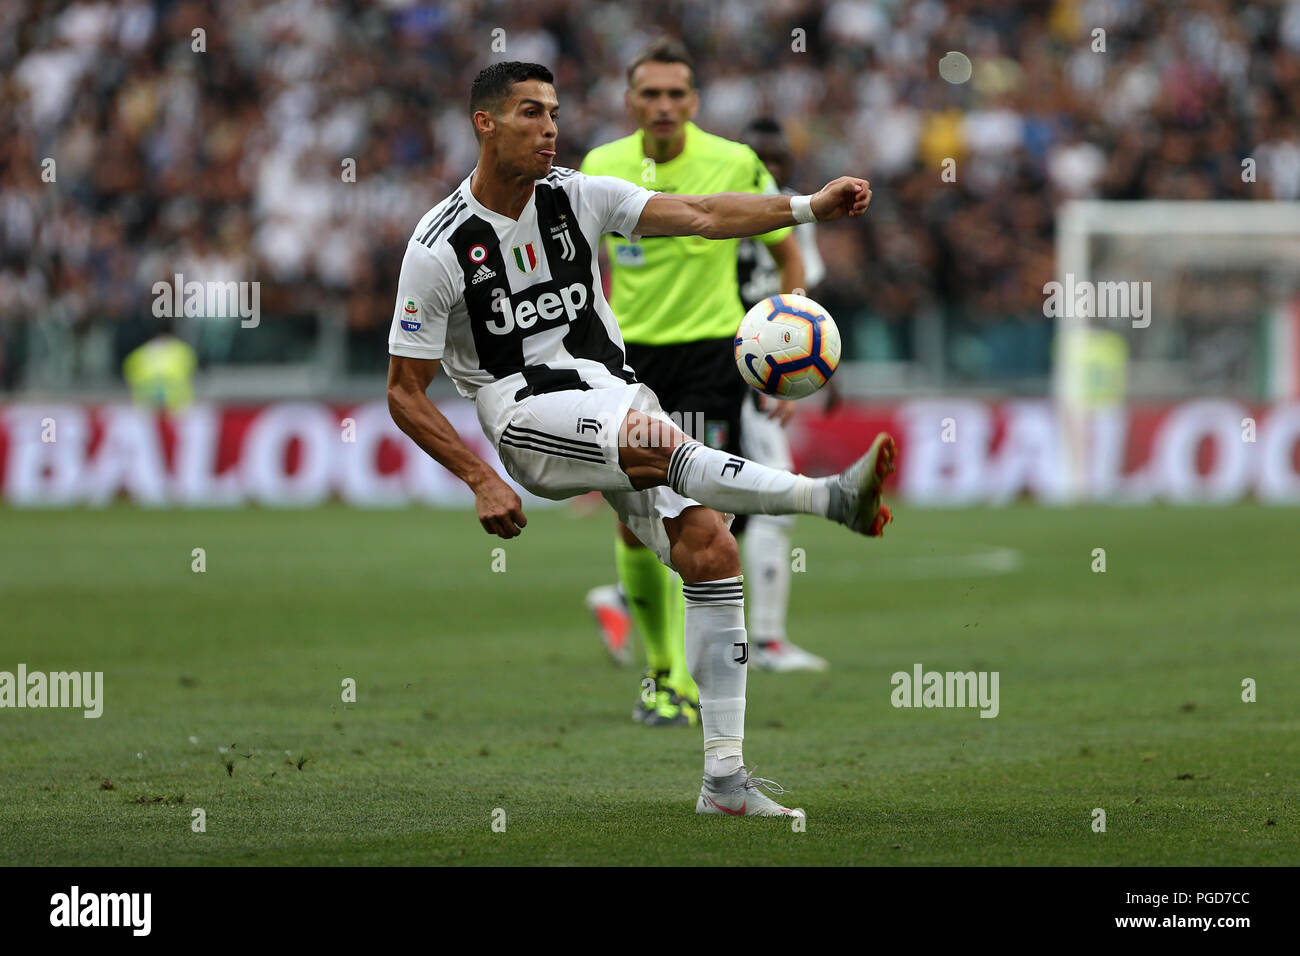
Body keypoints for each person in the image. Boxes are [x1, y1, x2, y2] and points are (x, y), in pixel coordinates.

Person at [386, 61, 894, 819]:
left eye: (554, 110)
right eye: (530, 112)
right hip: (526, 416)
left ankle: (723, 781)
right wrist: (480, 476)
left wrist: (808, 207)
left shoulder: (578, 197)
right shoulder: (439, 247)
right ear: (485, 125)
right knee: (656, 441)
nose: (550, 126)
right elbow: (404, 391)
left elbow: (702, 214)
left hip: (615, 395)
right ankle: (828, 498)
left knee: (711, 550)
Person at [580, 41, 825, 729]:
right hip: (625, 364)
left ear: (694, 102)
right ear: (630, 101)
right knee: (634, 523)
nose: (662, 106)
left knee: (702, 520)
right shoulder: (600, 166)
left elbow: (787, 248)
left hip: (707, 360)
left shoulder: (731, 160)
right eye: (649, 94)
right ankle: (665, 676)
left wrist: (792, 339)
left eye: (675, 94)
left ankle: (687, 679)